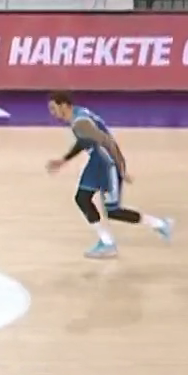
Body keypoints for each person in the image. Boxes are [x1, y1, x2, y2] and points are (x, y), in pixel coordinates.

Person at [46, 91, 173, 257]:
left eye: (53, 108)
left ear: (63, 105)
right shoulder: (78, 115)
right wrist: (64, 160)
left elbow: (108, 141)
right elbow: (84, 141)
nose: (52, 113)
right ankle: (107, 242)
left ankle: (159, 224)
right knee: (82, 198)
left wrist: (121, 168)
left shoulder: (80, 123)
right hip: (97, 161)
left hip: (107, 163)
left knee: (113, 210)